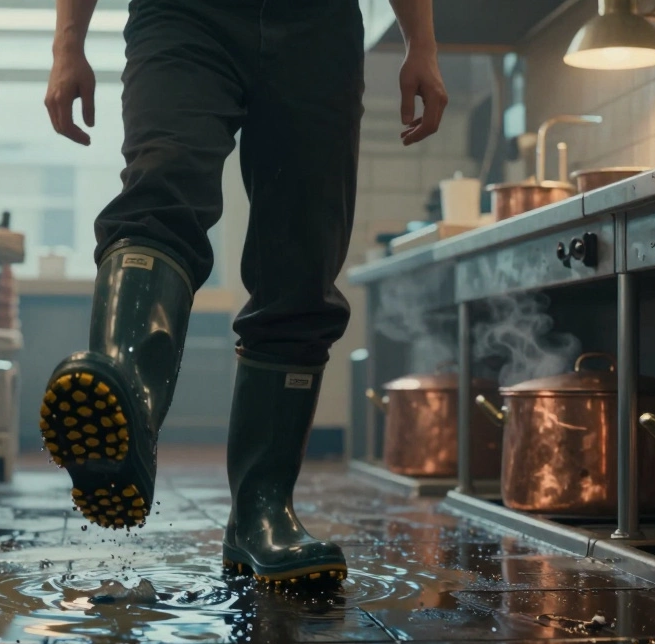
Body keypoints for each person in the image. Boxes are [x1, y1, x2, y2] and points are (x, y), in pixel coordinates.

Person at [38, 0, 447, 586]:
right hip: (182, 14)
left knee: (304, 252)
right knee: (163, 183)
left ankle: (262, 511)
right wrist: (67, 45)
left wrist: (421, 45)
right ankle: (126, 398)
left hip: (320, 25)